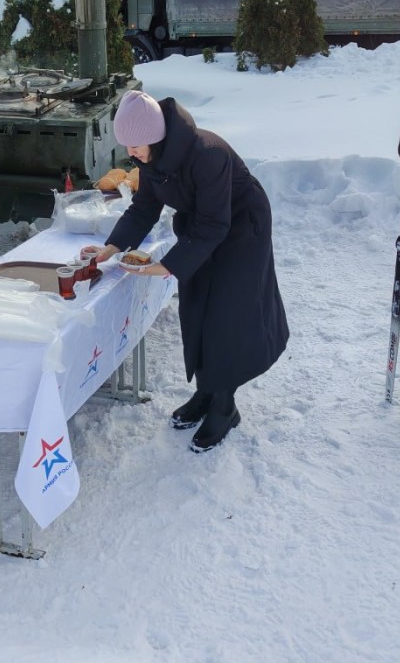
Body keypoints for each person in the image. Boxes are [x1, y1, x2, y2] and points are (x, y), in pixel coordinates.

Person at [84, 90, 289, 452]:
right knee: (196, 308)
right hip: (203, 229)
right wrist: (112, 247)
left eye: (134, 145)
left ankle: (225, 407)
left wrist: (168, 265)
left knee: (226, 315)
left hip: (241, 230)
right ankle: (206, 392)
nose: (130, 153)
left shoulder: (206, 154)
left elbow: (215, 224)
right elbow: (143, 208)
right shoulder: (151, 158)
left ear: (155, 136)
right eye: (127, 145)